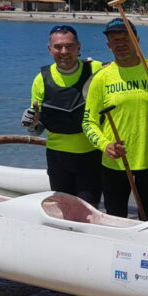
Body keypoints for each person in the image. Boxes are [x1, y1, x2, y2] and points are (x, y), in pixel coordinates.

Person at [82, 18, 148, 219]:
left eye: (125, 38)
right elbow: (88, 122)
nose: (120, 43)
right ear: (108, 46)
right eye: (114, 40)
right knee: (115, 218)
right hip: (115, 162)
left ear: (136, 39)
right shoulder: (101, 77)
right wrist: (105, 145)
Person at [21, 25, 103, 206]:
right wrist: (31, 123)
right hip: (58, 159)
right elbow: (36, 131)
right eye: (58, 47)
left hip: (91, 157)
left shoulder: (97, 69)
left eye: (69, 46)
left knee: (88, 211)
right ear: (49, 49)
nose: (64, 51)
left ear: (79, 47)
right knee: (62, 212)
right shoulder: (41, 79)